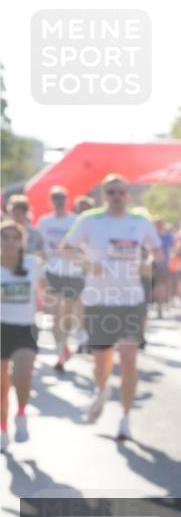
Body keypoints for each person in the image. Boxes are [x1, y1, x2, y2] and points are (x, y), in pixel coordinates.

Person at [63, 174, 163, 440]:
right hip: (99, 300)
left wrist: (149, 261)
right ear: (104, 195)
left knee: (129, 359)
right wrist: (86, 263)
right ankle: (101, 387)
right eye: (111, 192)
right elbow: (66, 249)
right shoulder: (90, 220)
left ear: (128, 195)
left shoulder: (140, 222)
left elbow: (157, 250)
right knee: (102, 362)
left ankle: (126, 418)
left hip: (131, 300)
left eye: (121, 192)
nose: (117, 196)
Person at [1, 221, 44, 453]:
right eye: (4, 237)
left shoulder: (31, 263)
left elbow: (46, 287)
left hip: (24, 329)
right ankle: (2, 427)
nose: (9, 242)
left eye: (14, 237)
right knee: (1, 386)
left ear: (21, 241)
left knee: (22, 375)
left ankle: (21, 414)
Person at [37, 186, 84, 371]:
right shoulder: (44, 221)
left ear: (67, 200)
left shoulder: (76, 220)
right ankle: (61, 351)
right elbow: (39, 245)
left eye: (62, 198)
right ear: (51, 201)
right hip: (52, 272)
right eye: (55, 198)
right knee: (54, 314)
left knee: (68, 314)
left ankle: (66, 341)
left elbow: (83, 244)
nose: (59, 201)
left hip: (73, 273)